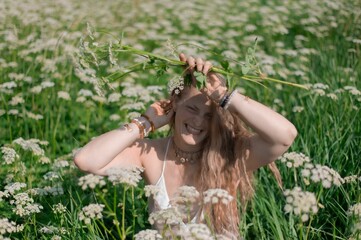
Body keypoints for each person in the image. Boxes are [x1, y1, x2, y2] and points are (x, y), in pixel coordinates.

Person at [74, 53, 298, 238]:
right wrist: (145, 122)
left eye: (210, 115)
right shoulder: (151, 153)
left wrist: (226, 96)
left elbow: (284, 136)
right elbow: (87, 161)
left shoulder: (229, 155)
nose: (199, 121)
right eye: (192, 108)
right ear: (175, 103)